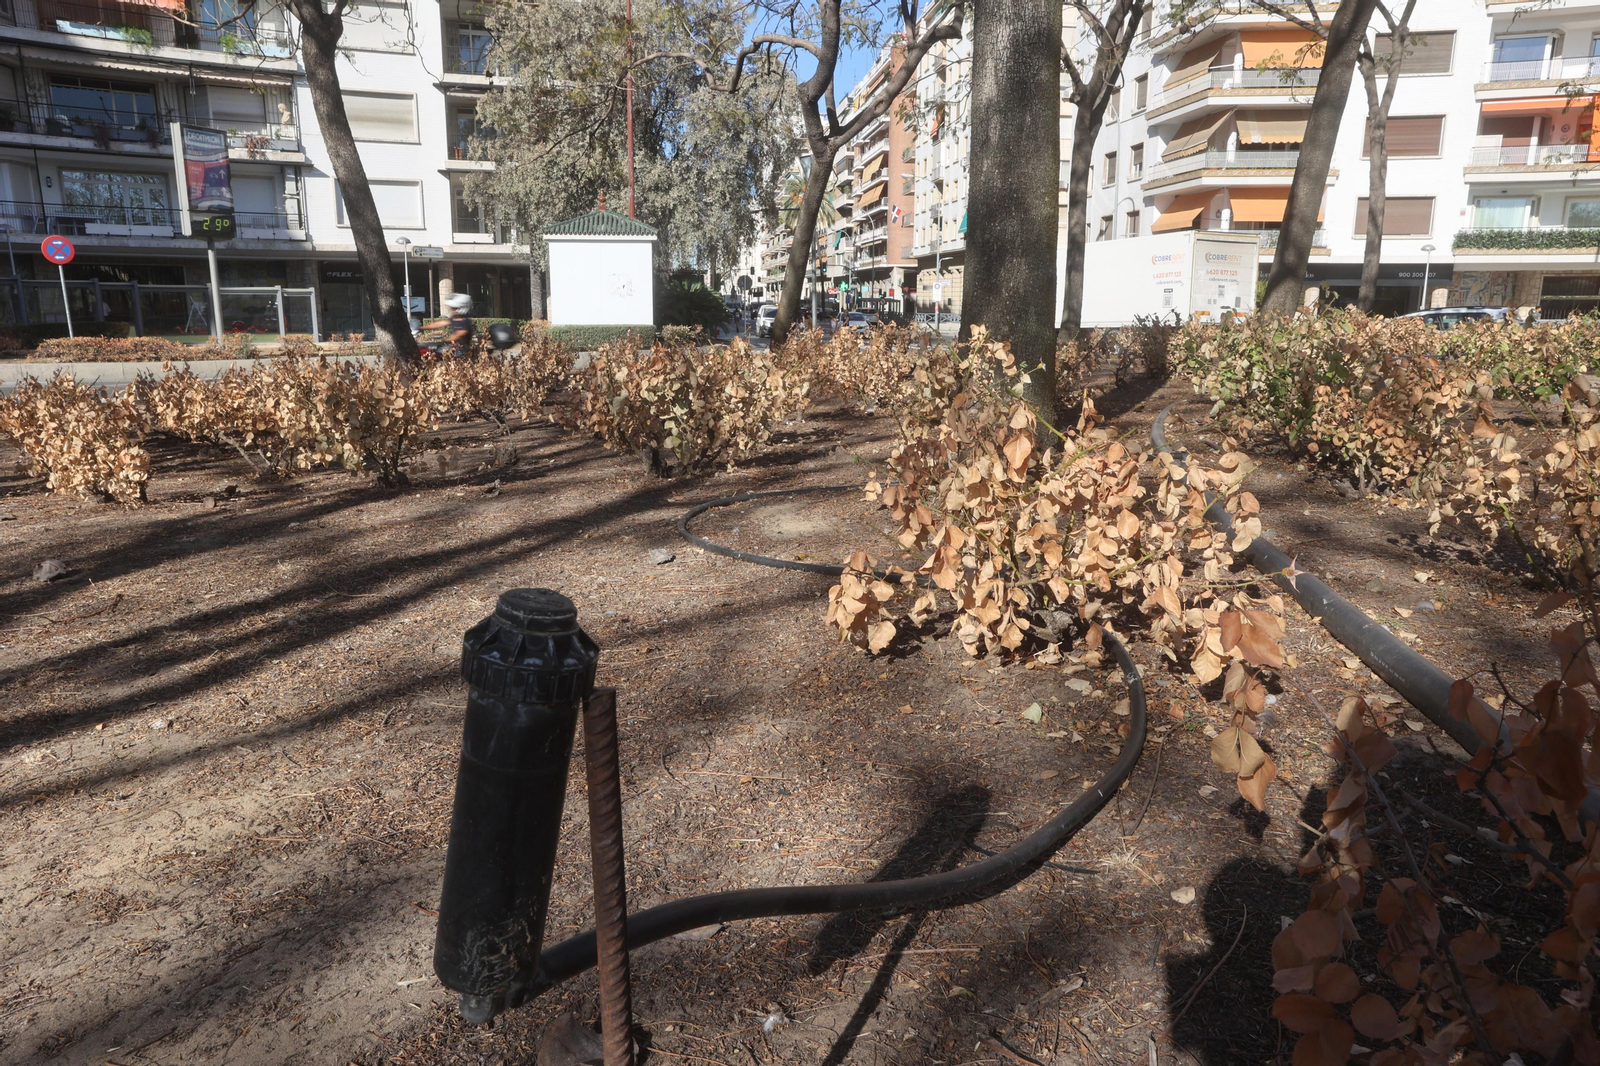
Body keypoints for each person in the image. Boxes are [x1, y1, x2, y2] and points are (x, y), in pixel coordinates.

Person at [425, 293, 475, 357]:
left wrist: (444, 341)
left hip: (461, 351)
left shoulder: (465, 321)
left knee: (440, 354)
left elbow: (459, 334)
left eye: (454, 308)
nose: (452, 310)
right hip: (453, 348)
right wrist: (422, 327)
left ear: (462, 308)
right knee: (435, 352)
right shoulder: (454, 319)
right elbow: (440, 323)